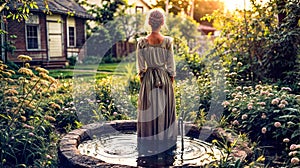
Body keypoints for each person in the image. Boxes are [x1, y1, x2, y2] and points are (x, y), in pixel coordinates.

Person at [136, 8, 177, 166]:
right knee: (164, 110)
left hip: (148, 80)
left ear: (149, 23)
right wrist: (169, 81)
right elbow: (171, 66)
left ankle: (148, 143)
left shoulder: (142, 42)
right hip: (164, 79)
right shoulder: (167, 42)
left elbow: (140, 68)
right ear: (162, 22)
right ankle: (164, 143)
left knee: (148, 111)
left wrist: (145, 81)